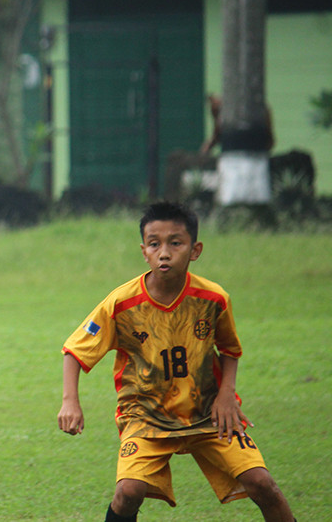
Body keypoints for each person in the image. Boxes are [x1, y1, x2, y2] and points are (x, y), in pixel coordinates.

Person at [58, 201, 295, 522]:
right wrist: (70, 402)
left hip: (209, 412)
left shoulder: (213, 299)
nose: (164, 252)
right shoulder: (121, 304)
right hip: (145, 416)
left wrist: (227, 395)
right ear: (144, 251)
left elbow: (229, 349)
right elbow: (75, 350)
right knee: (128, 492)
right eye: (154, 244)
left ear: (195, 249)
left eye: (175, 243)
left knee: (262, 483)